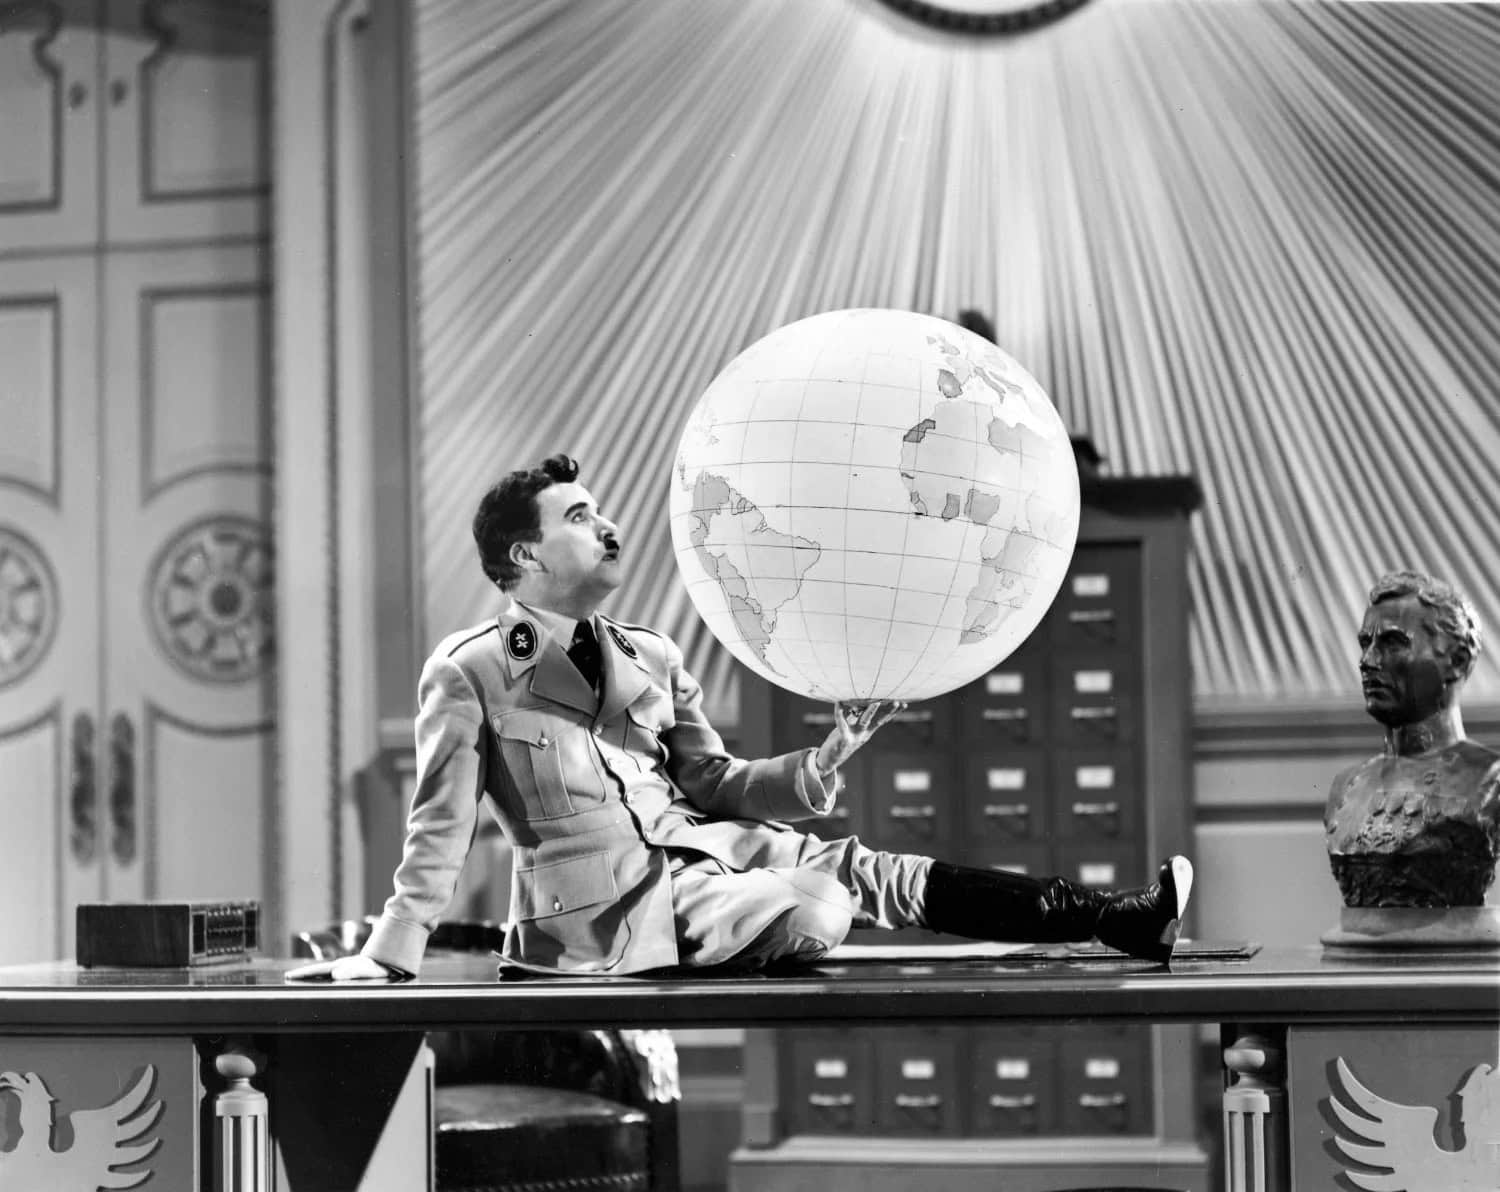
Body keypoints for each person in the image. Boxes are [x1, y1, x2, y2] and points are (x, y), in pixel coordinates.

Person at [288, 454, 1191, 982]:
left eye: (602, 511)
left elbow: (712, 785)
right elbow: (436, 829)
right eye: (578, 516)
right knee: (813, 902)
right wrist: (391, 953)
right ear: (525, 554)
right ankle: (796, 899)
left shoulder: (650, 654)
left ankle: (1115, 918)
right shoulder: (473, 669)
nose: (607, 528)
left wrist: (818, 759)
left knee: (878, 873)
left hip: (707, 859)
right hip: (603, 914)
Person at [1325, 571, 1500, 908]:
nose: (1368, 661)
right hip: (1358, 952)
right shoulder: (1346, 787)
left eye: (1393, 643)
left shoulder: (1490, 781)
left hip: (1451, 955)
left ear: (1456, 661)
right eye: (1366, 643)